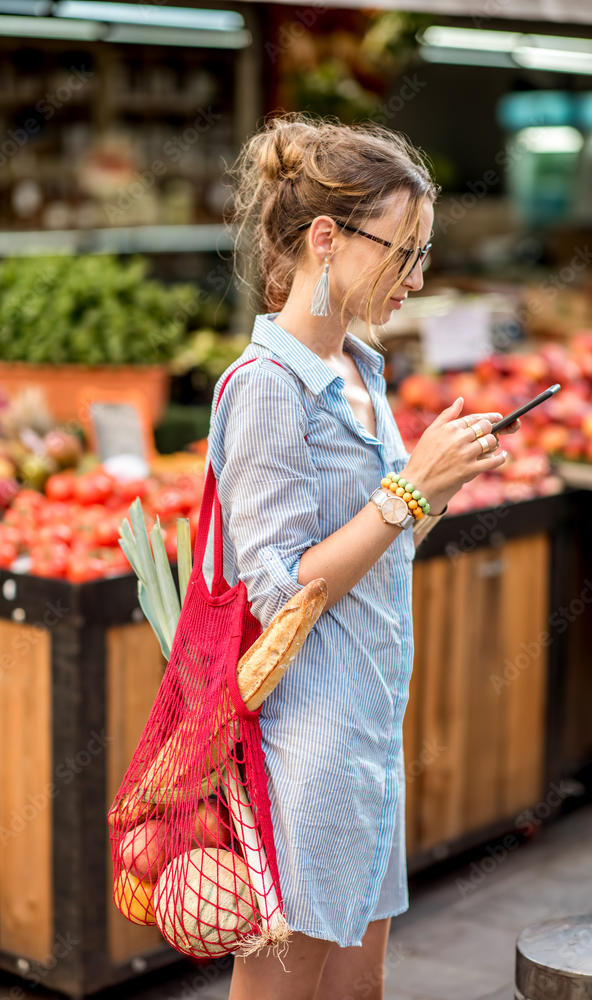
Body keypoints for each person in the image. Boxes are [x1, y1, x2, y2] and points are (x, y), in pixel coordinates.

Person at [205, 114, 519, 1000]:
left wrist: (435, 488)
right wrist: (406, 492)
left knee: (357, 987)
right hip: (300, 740)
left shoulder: (359, 368)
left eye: (423, 254)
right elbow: (280, 590)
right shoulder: (266, 388)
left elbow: (371, 554)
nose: (415, 278)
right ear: (324, 238)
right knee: (284, 987)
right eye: (402, 251)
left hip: (369, 726)